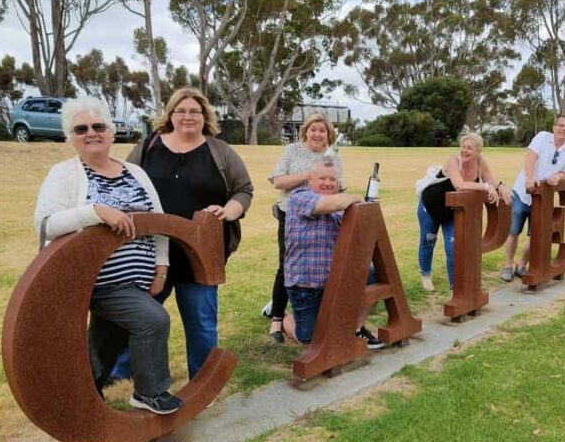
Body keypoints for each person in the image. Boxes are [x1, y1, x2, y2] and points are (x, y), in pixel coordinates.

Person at [33, 96, 182, 414]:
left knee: (106, 339)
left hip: (135, 280)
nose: (91, 133)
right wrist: (96, 212)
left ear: (111, 132)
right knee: (152, 320)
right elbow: (46, 225)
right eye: (81, 128)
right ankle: (150, 392)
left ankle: (82, 396)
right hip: (92, 281)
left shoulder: (135, 172)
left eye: (99, 126)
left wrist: (160, 268)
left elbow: (158, 221)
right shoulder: (63, 174)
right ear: (70, 136)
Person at [111, 87, 254, 381]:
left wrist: (230, 211)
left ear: (205, 116)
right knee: (140, 314)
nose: (188, 116)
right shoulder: (148, 146)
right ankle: (120, 372)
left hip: (202, 252)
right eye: (181, 110)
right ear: (170, 114)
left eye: (195, 111)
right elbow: (124, 183)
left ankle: (203, 380)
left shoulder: (220, 151)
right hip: (150, 251)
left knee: (201, 320)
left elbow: (243, 190)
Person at [283, 159, 383, 348]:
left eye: (332, 179)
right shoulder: (299, 197)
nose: (328, 183)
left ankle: (357, 328)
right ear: (309, 179)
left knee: (375, 275)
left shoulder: (343, 205)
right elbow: (329, 204)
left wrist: (367, 209)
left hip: (336, 280)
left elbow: (362, 235)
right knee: (312, 342)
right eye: (322, 178)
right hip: (307, 285)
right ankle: (280, 317)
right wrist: (360, 199)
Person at [265, 112, 345, 343]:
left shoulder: (333, 157)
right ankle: (277, 318)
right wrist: (309, 175)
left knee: (324, 262)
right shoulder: (293, 151)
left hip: (324, 216)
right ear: (306, 131)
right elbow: (278, 181)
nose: (317, 134)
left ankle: (315, 311)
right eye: (313, 129)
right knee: (287, 265)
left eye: (322, 130)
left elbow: (339, 187)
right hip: (293, 214)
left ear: (328, 134)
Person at [417, 133, 510, 292]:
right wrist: (487, 187)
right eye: (463, 147)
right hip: (431, 207)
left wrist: (499, 186)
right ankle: (426, 275)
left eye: (470, 148)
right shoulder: (453, 161)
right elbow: (459, 185)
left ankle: (456, 288)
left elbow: (491, 181)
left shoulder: (481, 163)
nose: (465, 151)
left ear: (478, 151)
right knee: (428, 240)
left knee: (453, 248)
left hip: (453, 211)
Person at [501, 116, 565, 281]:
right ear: (554, 127)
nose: (563, 129)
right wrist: (530, 178)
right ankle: (508, 265)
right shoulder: (543, 137)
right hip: (522, 193)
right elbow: (530, 157)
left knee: (535, 234)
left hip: (543, 198)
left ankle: (521, 265)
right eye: (561, 125)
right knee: (513, 231)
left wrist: (558, 177)